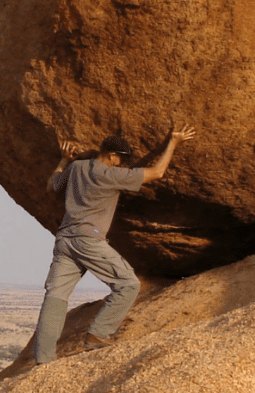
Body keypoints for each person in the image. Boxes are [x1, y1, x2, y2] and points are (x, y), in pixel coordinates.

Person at [30, 121, 198, 364]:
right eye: (122, 160)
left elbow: (51, 185)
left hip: (64, 240)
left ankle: (43, 359)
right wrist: (173, 141)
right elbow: (157, 172)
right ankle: (98, 335)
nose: (124, 164)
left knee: (55, 296)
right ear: (110, 156)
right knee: (128, 284)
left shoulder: (76, 167)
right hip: (88, 239)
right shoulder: (109, 174)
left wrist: (64, 160)